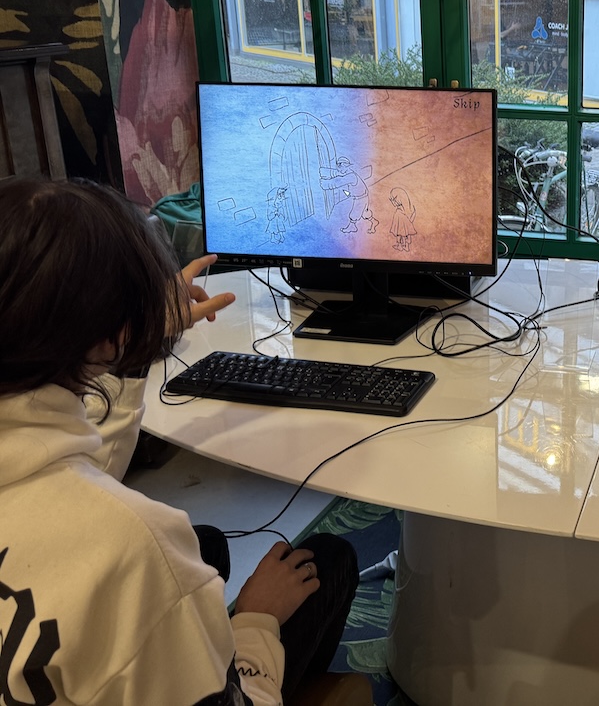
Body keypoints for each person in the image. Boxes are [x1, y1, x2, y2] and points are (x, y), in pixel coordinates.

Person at [0, 176, 359, 705]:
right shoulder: (137, 546)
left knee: (206, 544)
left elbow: (71, 479)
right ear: (113, 334)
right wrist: (256, 621)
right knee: (327, 559)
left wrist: (131, 343)